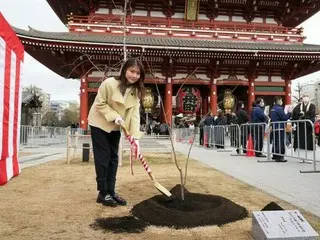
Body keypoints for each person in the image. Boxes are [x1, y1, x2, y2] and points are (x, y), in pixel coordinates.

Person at [88, 58, 145, 207]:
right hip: (99, 123)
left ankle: (111, 191)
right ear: (125, 70)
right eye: (132, 71)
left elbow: (134, 115)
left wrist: (135, 137)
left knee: (114, 158)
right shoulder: (109, 84)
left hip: (115, 126)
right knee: (103, 157)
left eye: (138, 73)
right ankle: (102, 192)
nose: (134, 75)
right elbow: (100, 103)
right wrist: (115, 116)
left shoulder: (135, 92)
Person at [270, 97, 291, 162]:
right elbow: (284, 117)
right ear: (278, 101)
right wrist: (289, 113)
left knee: (275, 142)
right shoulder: (279, 108)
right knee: (280, 142)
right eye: (281, 100)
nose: (282, 101)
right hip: (280, 127)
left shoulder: (272, 109)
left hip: (274, 127)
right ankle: (280, 157)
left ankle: (275, 155)